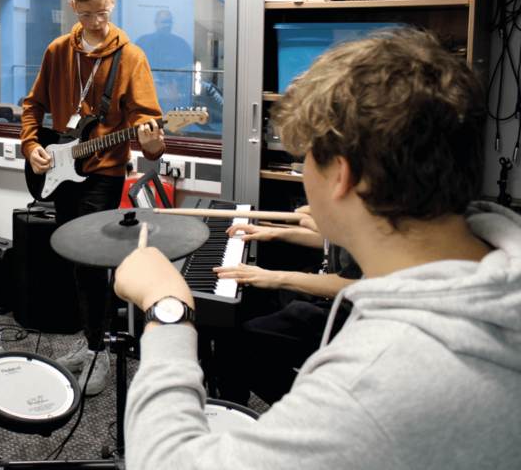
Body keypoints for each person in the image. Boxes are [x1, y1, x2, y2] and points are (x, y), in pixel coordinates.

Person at [115, 28, 521, 469]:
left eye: (304, 156)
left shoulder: (374, 383)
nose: (302, 170)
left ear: (342, 175)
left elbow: (162, 463)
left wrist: (167, 309)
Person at [21, 0, 165, 395]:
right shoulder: (57, 51)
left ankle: (101, 354)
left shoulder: (131, 57)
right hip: (60, 168)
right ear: (73, 9)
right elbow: (33, 107)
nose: (96, 22)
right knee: (73, 259)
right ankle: (90, 344)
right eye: (86, 15)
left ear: (112, 5)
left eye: (102, 13)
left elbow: (145, 122)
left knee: (93, 262)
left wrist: (152, 144)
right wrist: (32, 147)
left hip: (103, 173)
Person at [210, 207, 360, 405]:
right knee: (236, 307)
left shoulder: (372, 207)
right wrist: (276, 233)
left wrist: (278, 278)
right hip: (329, 296)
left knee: (244, 343)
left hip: (352, 314)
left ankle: (312, 413)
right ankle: (231, 407)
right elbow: (333, 242)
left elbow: (356, 284)